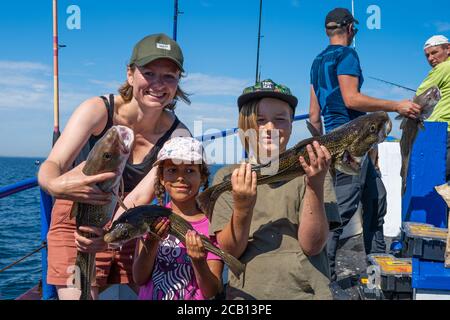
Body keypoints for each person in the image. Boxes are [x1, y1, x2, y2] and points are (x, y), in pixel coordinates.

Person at [38, 33, 191, 299]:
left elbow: (141, 195)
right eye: (149, 73)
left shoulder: (179, 136)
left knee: (160, 291)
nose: (158, 84)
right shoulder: (98, 109)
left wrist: (112, 234)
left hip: (129, 221)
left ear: (178, 83)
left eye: (169, 76)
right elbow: (54, 163)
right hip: (78, 219)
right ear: (130, 74)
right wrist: (54, 184)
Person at [309, 8, 422, 281]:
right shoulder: (348, 55)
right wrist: (396, 105)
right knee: (342, 211)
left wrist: (323, 149)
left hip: (333, 142)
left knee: (377, 200)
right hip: (351, 144)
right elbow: (351, 99)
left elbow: (313, 118)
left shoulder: (316, 61)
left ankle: (378, 270)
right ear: (350, 29)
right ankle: (326, 279)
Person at [210, 79, 341, 300]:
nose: (269, 128)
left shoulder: (315, 170)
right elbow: (230, 251)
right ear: (244, 126)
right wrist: (242, 208)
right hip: (248, 295)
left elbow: (313, 245)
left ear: (291, 125)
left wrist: (314, 185)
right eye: (260, 120)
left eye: (280, 120)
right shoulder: (226, 177)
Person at [131, 137, 224, 300]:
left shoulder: (212, 225)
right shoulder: (151, 219)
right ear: (161, 177)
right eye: (172, 170)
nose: (180, 178)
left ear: (202, 177)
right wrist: (152, 242)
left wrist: (199, 261)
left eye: (189, 170)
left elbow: (211, 291)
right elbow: (139, 278)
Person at [417, 35, 450, 180]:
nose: (430, 58)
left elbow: (418, 99)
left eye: (434, 52)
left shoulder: (443, 68)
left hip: (442, 132)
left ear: (448, 48)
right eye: (427, 55)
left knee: (435, 182)